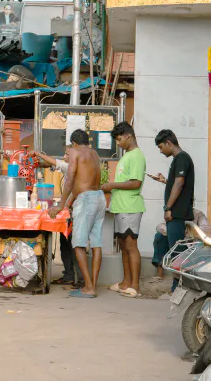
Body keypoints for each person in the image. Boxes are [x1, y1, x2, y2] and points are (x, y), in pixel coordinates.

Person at [48, 130, 105, 298]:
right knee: (96, 244)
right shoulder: (94, 153)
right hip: (99, 197)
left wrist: (60, 205)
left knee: (78, 243)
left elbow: (71, 177)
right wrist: (67, 203)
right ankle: (92, 284)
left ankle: (88, 287)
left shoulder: (75, 152)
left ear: (73, 142)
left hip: (86, 199)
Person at [102, 122, 146, 298]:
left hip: (130, 207)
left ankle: (135, 286)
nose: (118, 143)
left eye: (119, 139)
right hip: (120, 207)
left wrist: (111, 185)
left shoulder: (136, 156)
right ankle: (125, 282)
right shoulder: (127, 155)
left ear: (129, 136)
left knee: (131, 245)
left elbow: (136, 183)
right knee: (123, 245)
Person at [150, 129, 195, 292]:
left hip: (177, 213)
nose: (161, 151)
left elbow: (179, 183)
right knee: (174, 249)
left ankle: (179, 287)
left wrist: (168, 208)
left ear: (169, 143)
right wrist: (165, 182)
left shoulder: (182, 158)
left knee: (177, 252)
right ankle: (178, 286)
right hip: (177, 213)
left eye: (161, 147)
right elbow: (176, 183)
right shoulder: (180, 159)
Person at [37, 148, 83, 289]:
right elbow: (51, 164)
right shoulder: (67, 168)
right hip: (68, 211)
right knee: (64, 243)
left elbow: (55, 162)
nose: (64, 156)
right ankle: (68, 275)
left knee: (73, 245)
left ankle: (79, 278)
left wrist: (39, 153)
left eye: (67, 154)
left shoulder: (71, 167)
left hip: (74, 211)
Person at [151, 209, 209, 282]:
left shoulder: (198, 213)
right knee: (159, 236)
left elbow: (206, 228)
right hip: (174, 239)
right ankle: (159, 268)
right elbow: (159, 226)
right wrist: (173, 232)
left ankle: (183, 274)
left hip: (189, 242)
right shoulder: (173, 213)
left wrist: (190, 231)